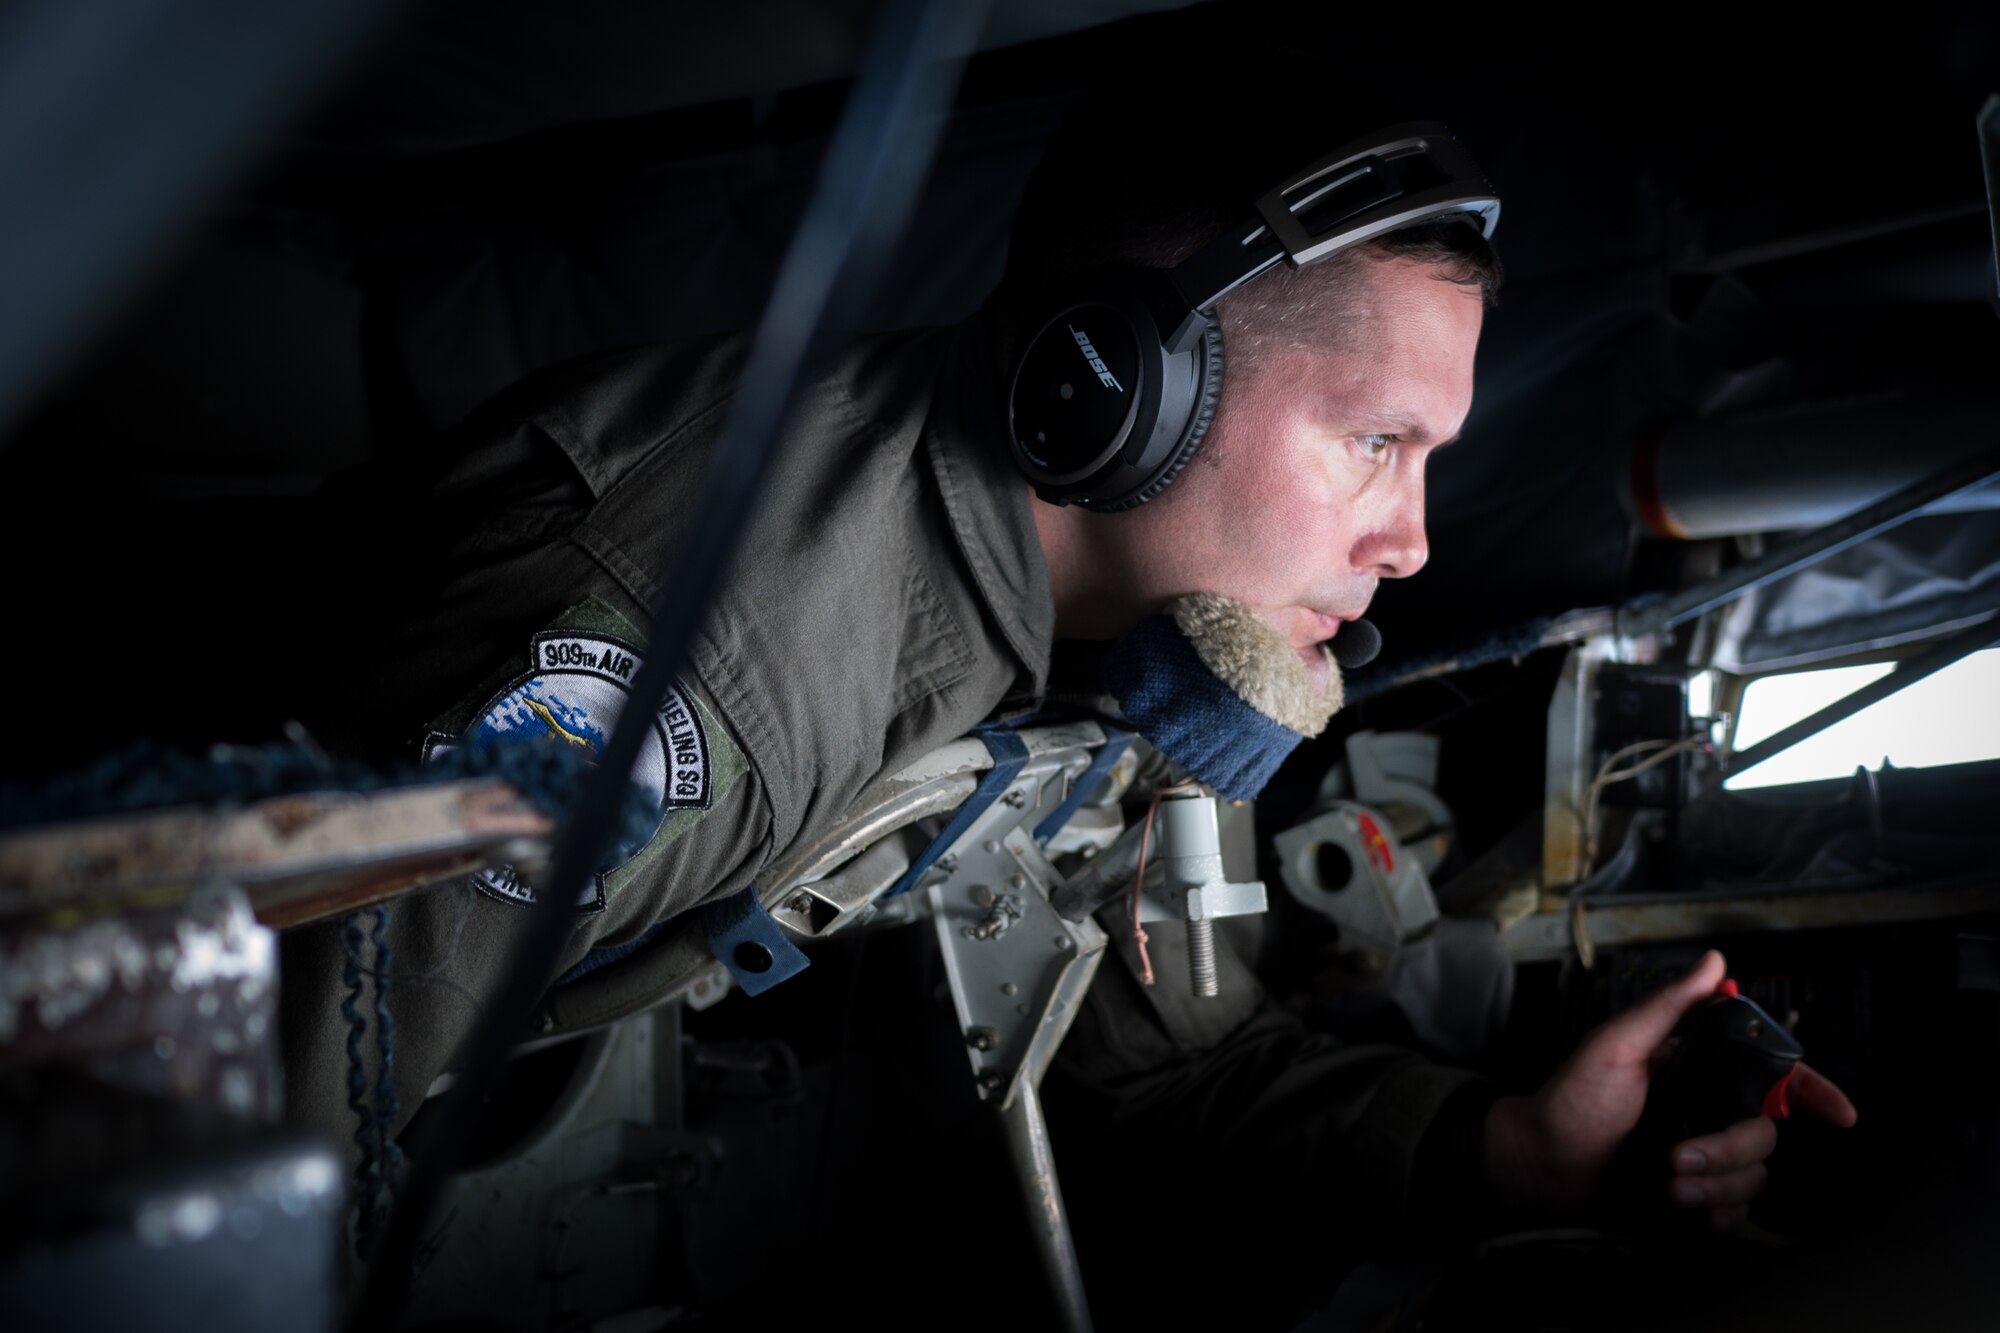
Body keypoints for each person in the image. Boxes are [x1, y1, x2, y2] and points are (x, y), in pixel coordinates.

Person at [276, 82, 1856, 1323]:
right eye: (1378, 442)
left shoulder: (1164, 647)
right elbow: (212, 1147)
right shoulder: (706, 677)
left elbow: (1162, 1070)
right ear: (1113, 393)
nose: (1417, 538)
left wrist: (1503, 1151)